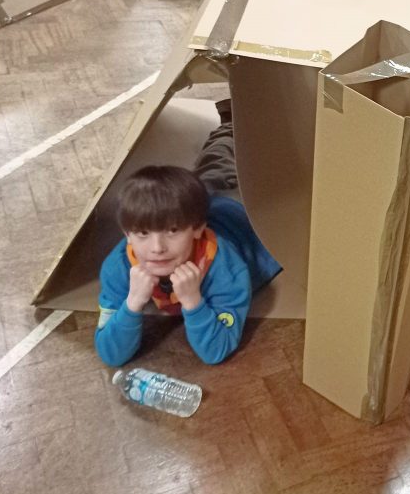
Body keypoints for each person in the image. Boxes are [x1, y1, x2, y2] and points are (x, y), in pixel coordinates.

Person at [95, 109, 281, 367]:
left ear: (196, 230)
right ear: (128, 235)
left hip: (243, 211)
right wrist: (132, 303)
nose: (157, 248)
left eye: (172, 232)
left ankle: (255, 119)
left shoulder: (225, 266)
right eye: (143, 234)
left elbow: (216, 351)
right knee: (213, 161)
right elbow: (110, 355)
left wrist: (193, 301)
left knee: (264, 166)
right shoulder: (119, 266)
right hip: (197, 201)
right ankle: (231, 119)